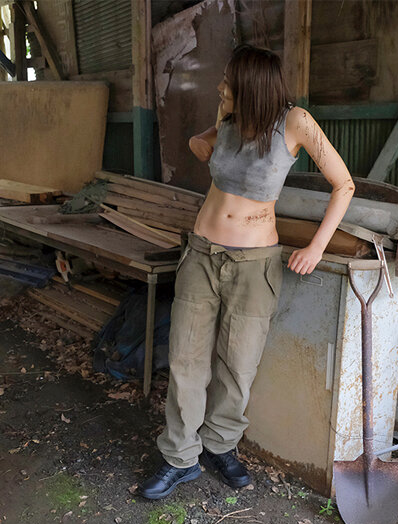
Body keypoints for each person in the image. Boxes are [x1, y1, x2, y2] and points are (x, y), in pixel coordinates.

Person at [138, 44, 355, 499]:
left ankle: (219, 445)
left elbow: (344, 184)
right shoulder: (228, 117)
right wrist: (204, 138)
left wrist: (316, 247)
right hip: (201, 254)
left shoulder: (296, 122)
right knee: (185, 359)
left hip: (255, 265)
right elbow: (204, 145)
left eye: (228, 81)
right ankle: (180, 457)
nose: (220, 87)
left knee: (238, 365)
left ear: (252, 86)